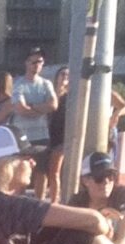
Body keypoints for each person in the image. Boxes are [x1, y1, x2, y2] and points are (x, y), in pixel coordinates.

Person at [10, 47, 57, 199]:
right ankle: (19, 202)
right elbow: (20, 109)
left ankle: (39, 202)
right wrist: (42, 108)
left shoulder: (46, 84)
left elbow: (53, 105)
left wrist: (33, 107)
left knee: (41, 171)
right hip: (22, 136)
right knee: (21, 171)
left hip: (41, 135)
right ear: (26, 63)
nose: (37, 64)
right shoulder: (19, 84)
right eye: (33, 61)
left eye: (40, 61)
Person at [46, 66, 69, 204]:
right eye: (62, 74)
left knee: (55, 171)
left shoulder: (70, 96)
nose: (65, 76)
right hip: (49, 136)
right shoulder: (51, 95)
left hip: (63, 137)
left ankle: (55, 201)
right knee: (47, 171)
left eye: (68, 75)